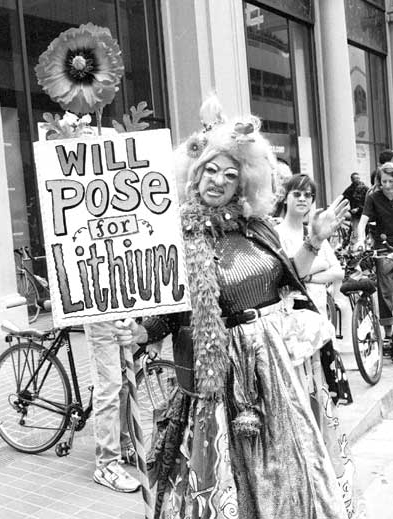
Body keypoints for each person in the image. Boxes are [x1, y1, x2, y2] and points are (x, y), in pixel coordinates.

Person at [115, 98, 355, 519]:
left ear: (243, 183)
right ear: (195, 173)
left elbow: (286, 280)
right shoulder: (178, 237)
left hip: (275, 362)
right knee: (231, 469)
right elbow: (173, 308)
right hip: (220, 370)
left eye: (230, 174)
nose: (219, 180)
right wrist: (141, 332)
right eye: (211, 169)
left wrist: (314, 241)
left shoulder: (257, 225)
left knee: (291, 460)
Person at [275, 174, 344, 318]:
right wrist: (322, 264)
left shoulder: (314, 232)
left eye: (307, 195)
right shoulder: (276, 234)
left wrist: (307, 277)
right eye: (296, 194)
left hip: (319, 314)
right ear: (285, 198)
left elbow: (338, 272)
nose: (302, 198)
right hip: (289, 317)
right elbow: (286, 273)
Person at [83, 321, 141, 493]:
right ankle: (106, 463)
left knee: (126, 381)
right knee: (109, 385)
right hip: (101, 314)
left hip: (124, 311)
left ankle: (123, 445)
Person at [355, 161, 393, 350]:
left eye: (391, 181)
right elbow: (362, 223)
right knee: (385, 287)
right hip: (383, 246)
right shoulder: (374, 197)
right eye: (384, 181)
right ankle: (389, 333)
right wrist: (360, 239)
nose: (387, 185)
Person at [342, 172, 368, 244]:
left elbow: (367, 202)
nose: (357, 180)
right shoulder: (349, 190)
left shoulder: (364, 188)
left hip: (363, 213)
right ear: (352, 180)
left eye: (358, 178)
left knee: (361, 230)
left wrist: (359, 208)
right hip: (355, 214)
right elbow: (344, 199)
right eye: (355, 178)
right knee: (356, 231)